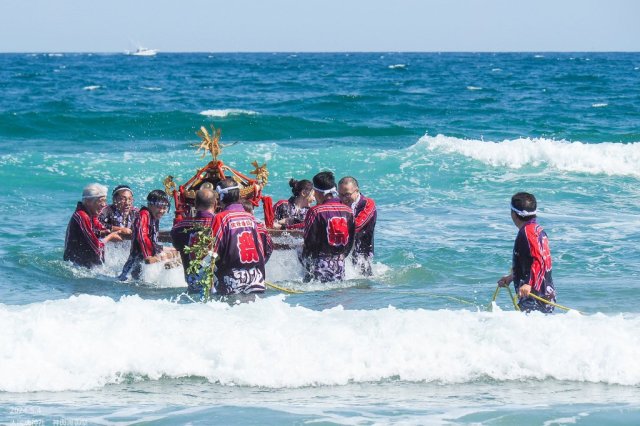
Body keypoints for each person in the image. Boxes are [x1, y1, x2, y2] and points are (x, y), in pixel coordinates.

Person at [497, 192, 556, 313]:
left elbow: (539, 260)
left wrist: (529, 283)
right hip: (545, 293)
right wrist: (511, 277)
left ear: (513, 214)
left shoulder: (527, 233)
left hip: (535, 295)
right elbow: (530, 261)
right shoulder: (537, 229)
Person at [209, 178, 269, 295]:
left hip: (232, 279)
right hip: (255, 277)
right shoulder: (250, 217)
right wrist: (262, 276)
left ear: (221, 198)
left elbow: (213, 251)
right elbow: (260, 250)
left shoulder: (221, 218)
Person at [301, 171, 355, 282]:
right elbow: (351, 241)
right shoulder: (348, 210)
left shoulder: (315, 211)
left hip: (319, 266)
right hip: (340, 265)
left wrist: (306, 265)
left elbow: (309, 242)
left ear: (318, 192)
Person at [170, 189, 218, 293]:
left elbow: (177, 245)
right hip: (218, 285)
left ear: (195, 205)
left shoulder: (179, 228)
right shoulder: (221, 224)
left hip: (193, 285)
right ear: (215, 204)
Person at [64, 183, 122, 268]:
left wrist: (106, 233)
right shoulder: (82, 216)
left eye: (105, 201)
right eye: (100, 201)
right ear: (88, 202)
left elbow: (99, 230)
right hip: (76, 266)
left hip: (88, 266)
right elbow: (96, 247)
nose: (104, 205)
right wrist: (110, 237)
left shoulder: (92, 215)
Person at [119, 190, 170, 280]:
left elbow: (152, 241)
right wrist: (150, 256)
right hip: (133, 268)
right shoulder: (144, 215)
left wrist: (160, 250)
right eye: (159, 207)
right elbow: (142, 237)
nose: (162, 211)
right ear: (150, 205)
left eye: (164, 207)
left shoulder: (154, 217)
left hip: (141, 265)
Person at [338, 176, 377, 276]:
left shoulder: (368, 204)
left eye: (347, 194)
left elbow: (358, 225)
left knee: (363, 283)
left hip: (362, 254)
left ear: (357, 191)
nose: (343, 199)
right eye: (340, 195)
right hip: (342, 252)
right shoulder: (338, 202)